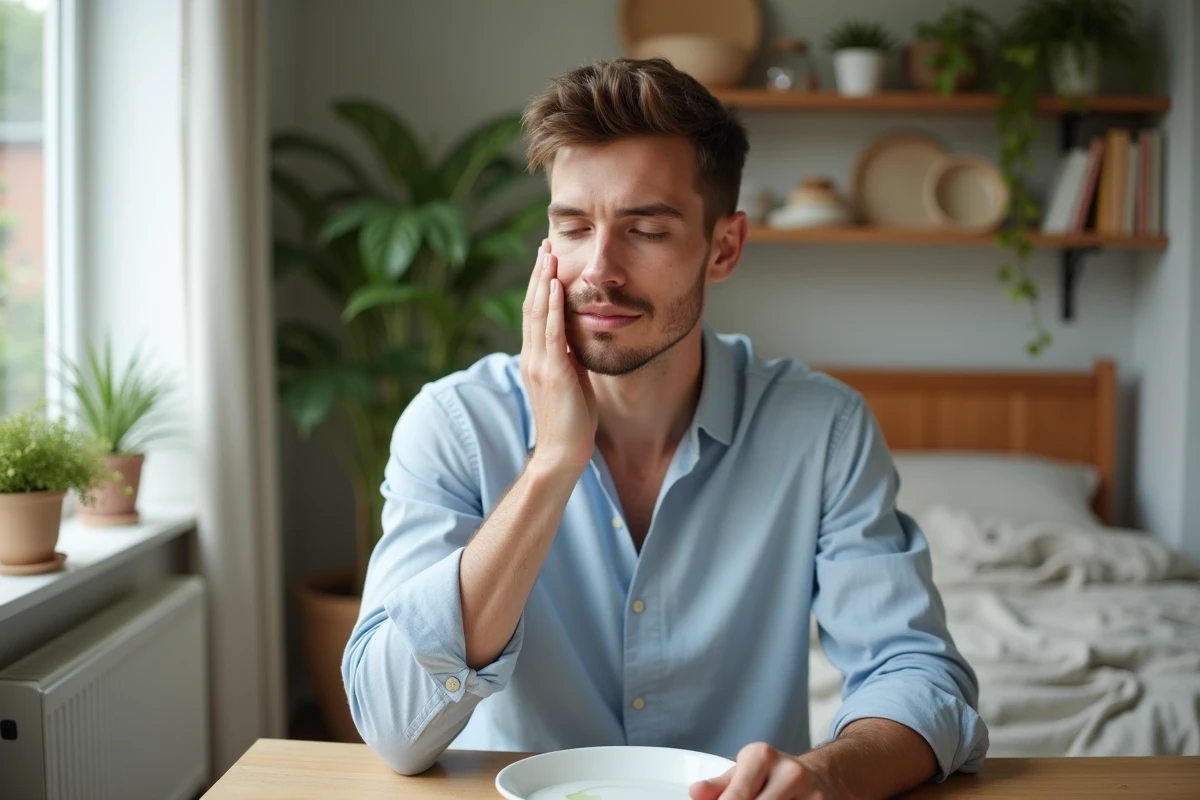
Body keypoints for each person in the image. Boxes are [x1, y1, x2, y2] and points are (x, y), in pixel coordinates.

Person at [342, 57, 989, 799]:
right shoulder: (454, 425)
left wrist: (825, 775)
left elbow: (919, 677)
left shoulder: (823, 431)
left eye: (645, 229)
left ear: (724, 249)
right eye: (573, 227)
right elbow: (393, 726)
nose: (599, 270)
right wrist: (553, 464)